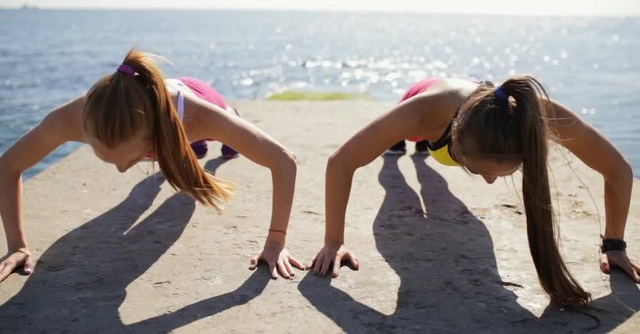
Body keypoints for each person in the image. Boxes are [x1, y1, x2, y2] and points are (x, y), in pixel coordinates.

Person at [309, 75, 638, 307]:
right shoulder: (421, 112)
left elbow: (619, 170)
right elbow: (341, 162)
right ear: (455, 136)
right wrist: (334, 242)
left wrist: (614, 245)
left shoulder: (530, 114)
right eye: (480, 171)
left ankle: (421, 157)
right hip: (424, 108)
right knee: (396, 181)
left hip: (469, 114)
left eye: (503, 173)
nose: (490, 182)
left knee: (434, 186)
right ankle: (401, 152)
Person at [0, 49, 304, 282]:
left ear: (157, 132)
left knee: (216, 147)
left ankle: (224, 121)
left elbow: (283, 161)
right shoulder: (71, 118)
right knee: (189, 153)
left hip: (196, 101)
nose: (121, 170)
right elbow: (8, 166)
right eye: (106, 157)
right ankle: (191, 147)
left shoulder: (198, 116)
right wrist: (17, 245)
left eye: (133, 158)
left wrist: (276, 242)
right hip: (171, 130)